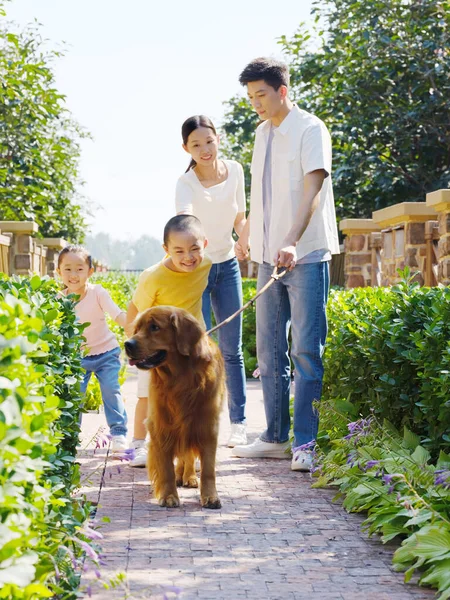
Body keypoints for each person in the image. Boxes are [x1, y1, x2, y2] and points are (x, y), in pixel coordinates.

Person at [232, 57, 340, 471]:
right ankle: (275, 437)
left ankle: (305, 446)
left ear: (282, 90)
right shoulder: (262, 134)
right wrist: (247, 237)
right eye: (250, 97)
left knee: (306, 351)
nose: (256, 103)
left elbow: (313, 187)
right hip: (266, 258)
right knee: (269, 352)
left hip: (306, 254)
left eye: (261, 95)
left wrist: (293, 241)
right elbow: (263, 195)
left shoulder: (311, 129)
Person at [175, 115, 248, 448]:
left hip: (228, 266)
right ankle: (197, 418)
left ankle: (239, 423)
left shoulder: (235, 171)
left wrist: (243, 238)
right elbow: (186, 223)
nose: (204, 149)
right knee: (198, 348)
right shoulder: (185, 183)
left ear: (219, 138)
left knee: (232, 350)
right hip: (199, 269)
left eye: (209, 141)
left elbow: (240, 216)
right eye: (196, 144)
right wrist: (198, 252)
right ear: (186, 148)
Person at [126, 214, 211, 467]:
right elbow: (134, 311)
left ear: (204, 245)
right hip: (154, 348)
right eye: (179, 251)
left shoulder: (207, 264)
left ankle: (188, 454)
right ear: (166, 250)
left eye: (194, 249)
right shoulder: (153, 277)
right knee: (148, 395)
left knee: (192, 397)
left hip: (190, 346)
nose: (188, 257)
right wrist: (136, 348)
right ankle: (140, 443)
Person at [57, 245, 129, 453]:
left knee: (110, 390)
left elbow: (117, 315)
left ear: (90, 272)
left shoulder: (98, 293)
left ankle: (118, 434)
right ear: (58, 272)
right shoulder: (58, 300)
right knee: (75, 395)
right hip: (77, 357)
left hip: (106, 352)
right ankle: (70, 438)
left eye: (79, 269)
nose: (73, 275)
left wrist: (133, 327)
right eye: (67, 269)